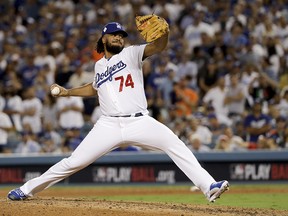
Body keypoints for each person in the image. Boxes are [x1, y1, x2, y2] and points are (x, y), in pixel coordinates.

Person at [7, 21, 229, 202]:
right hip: (108, 125)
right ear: (103, 38)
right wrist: (67, 93)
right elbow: (94, 87)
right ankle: (26, 189)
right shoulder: (99, 66)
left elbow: (158, 47)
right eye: (114, 35)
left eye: (121, 35)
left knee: (175, 144)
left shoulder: (132, 54)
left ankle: (209, 186)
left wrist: (164, 35)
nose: (119, 38)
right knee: (74, 162)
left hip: (139, 121)